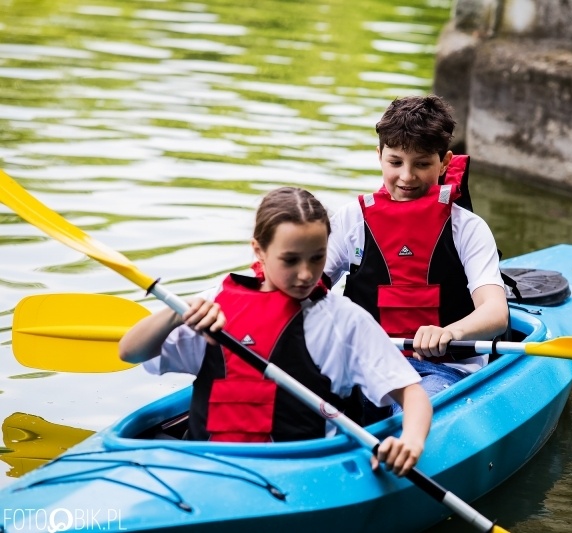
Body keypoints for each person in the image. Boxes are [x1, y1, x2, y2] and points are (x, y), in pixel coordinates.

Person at [119, 187, 431, 476]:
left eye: (317, 257)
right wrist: (177, 313)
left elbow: (412, 394)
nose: (307, 274)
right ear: (259, 250)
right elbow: (130, 352)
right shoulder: (213, 308)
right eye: (290, 260)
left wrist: (411, 442)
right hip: (205, 469)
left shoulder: (344, 321)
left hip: (298, 475)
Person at [325, 95, 508, 415]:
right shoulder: (350, 220)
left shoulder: (468, 228)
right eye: (395, 162)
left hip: (442, 372)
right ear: (379, 155)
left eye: (422, 163)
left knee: (416, 411)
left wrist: (450, 333)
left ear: (445, 162)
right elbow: (301, 289)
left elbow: (495, 313)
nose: (407, 176)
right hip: (361, 368)